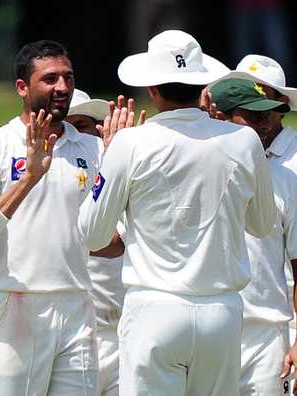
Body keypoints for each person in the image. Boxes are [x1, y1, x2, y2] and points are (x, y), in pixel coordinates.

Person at [78, 30, 277, 395]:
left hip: (154, 310)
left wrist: (111, 168)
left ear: (152, 89)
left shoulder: (129, 143)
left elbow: (90, 234)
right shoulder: (244, 141)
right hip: (221, 312)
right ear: (202, 85)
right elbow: (263, 225)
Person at [0, 40, 103, 396]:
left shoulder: (93, 148)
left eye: (68, 78)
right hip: (13, 305)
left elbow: (108, 240)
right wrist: (29, 178)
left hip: (77, 307)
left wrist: (124, 166)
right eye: (50, 79)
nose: (63, 87)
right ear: (22, 87)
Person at [228, 55, 297, 396]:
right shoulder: (223, 151)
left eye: (267, 108)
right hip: (236, 306)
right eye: (248, 105)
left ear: (283, 105)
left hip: (295, 308)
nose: (259, 119)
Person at [66, 88, 123, 396]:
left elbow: (117, 241)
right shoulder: (39, 175)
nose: (75, 136)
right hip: (69, 335)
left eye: (83, 127)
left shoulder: (120, 169)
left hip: (122, 332)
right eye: (67, 127)